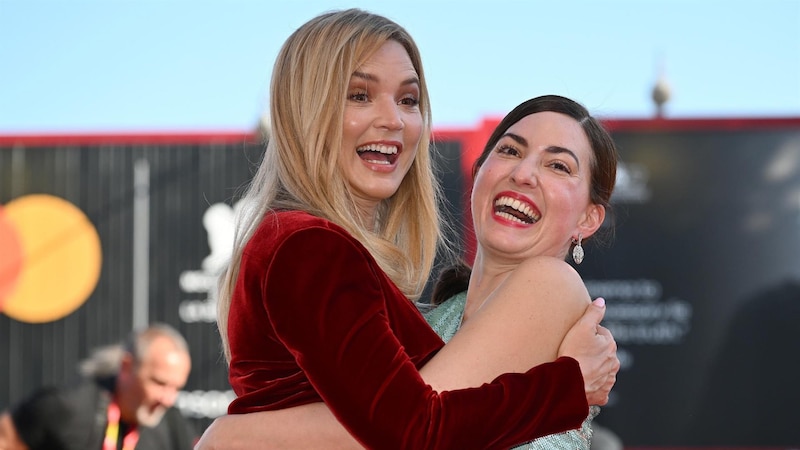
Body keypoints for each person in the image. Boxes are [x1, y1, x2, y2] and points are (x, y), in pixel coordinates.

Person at [214, 8, 618, 449]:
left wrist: (233, 436)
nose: (524, 174)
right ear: (479, 171)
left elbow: (404, 433)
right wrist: (567, 387)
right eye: (360, 95)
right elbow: (411, 432)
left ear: (589, 218)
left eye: (408, 100)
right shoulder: (316, 249)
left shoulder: (550, 283)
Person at [0, 323, 197, 450]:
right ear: (127, 367)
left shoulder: (172, 423)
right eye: (159, 383)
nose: (168, 399)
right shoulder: (69, 407)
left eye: (176, 388)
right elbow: (7, 437)